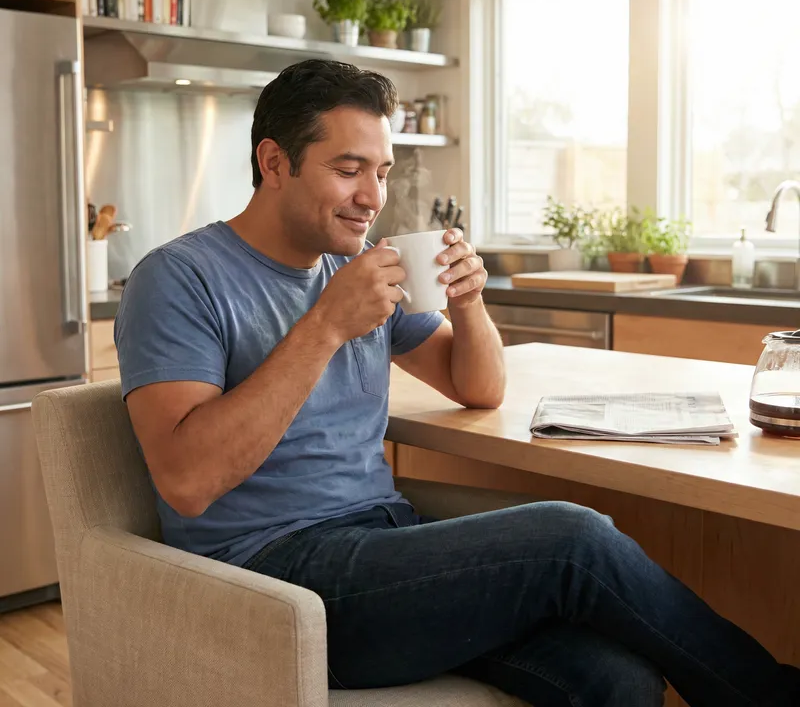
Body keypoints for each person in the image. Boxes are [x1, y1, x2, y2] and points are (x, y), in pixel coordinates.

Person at [115, 59, 800, 707]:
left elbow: (479, 389)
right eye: (348, 170)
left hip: (381, 541)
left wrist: (469, 304)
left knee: (615, 679)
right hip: (278, 581)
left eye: (381, 172)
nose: (371, 197)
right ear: (273, 163)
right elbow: (187, 480)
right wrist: (324, 327)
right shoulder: (180, 278)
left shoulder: (352, 269)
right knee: (573, 539)